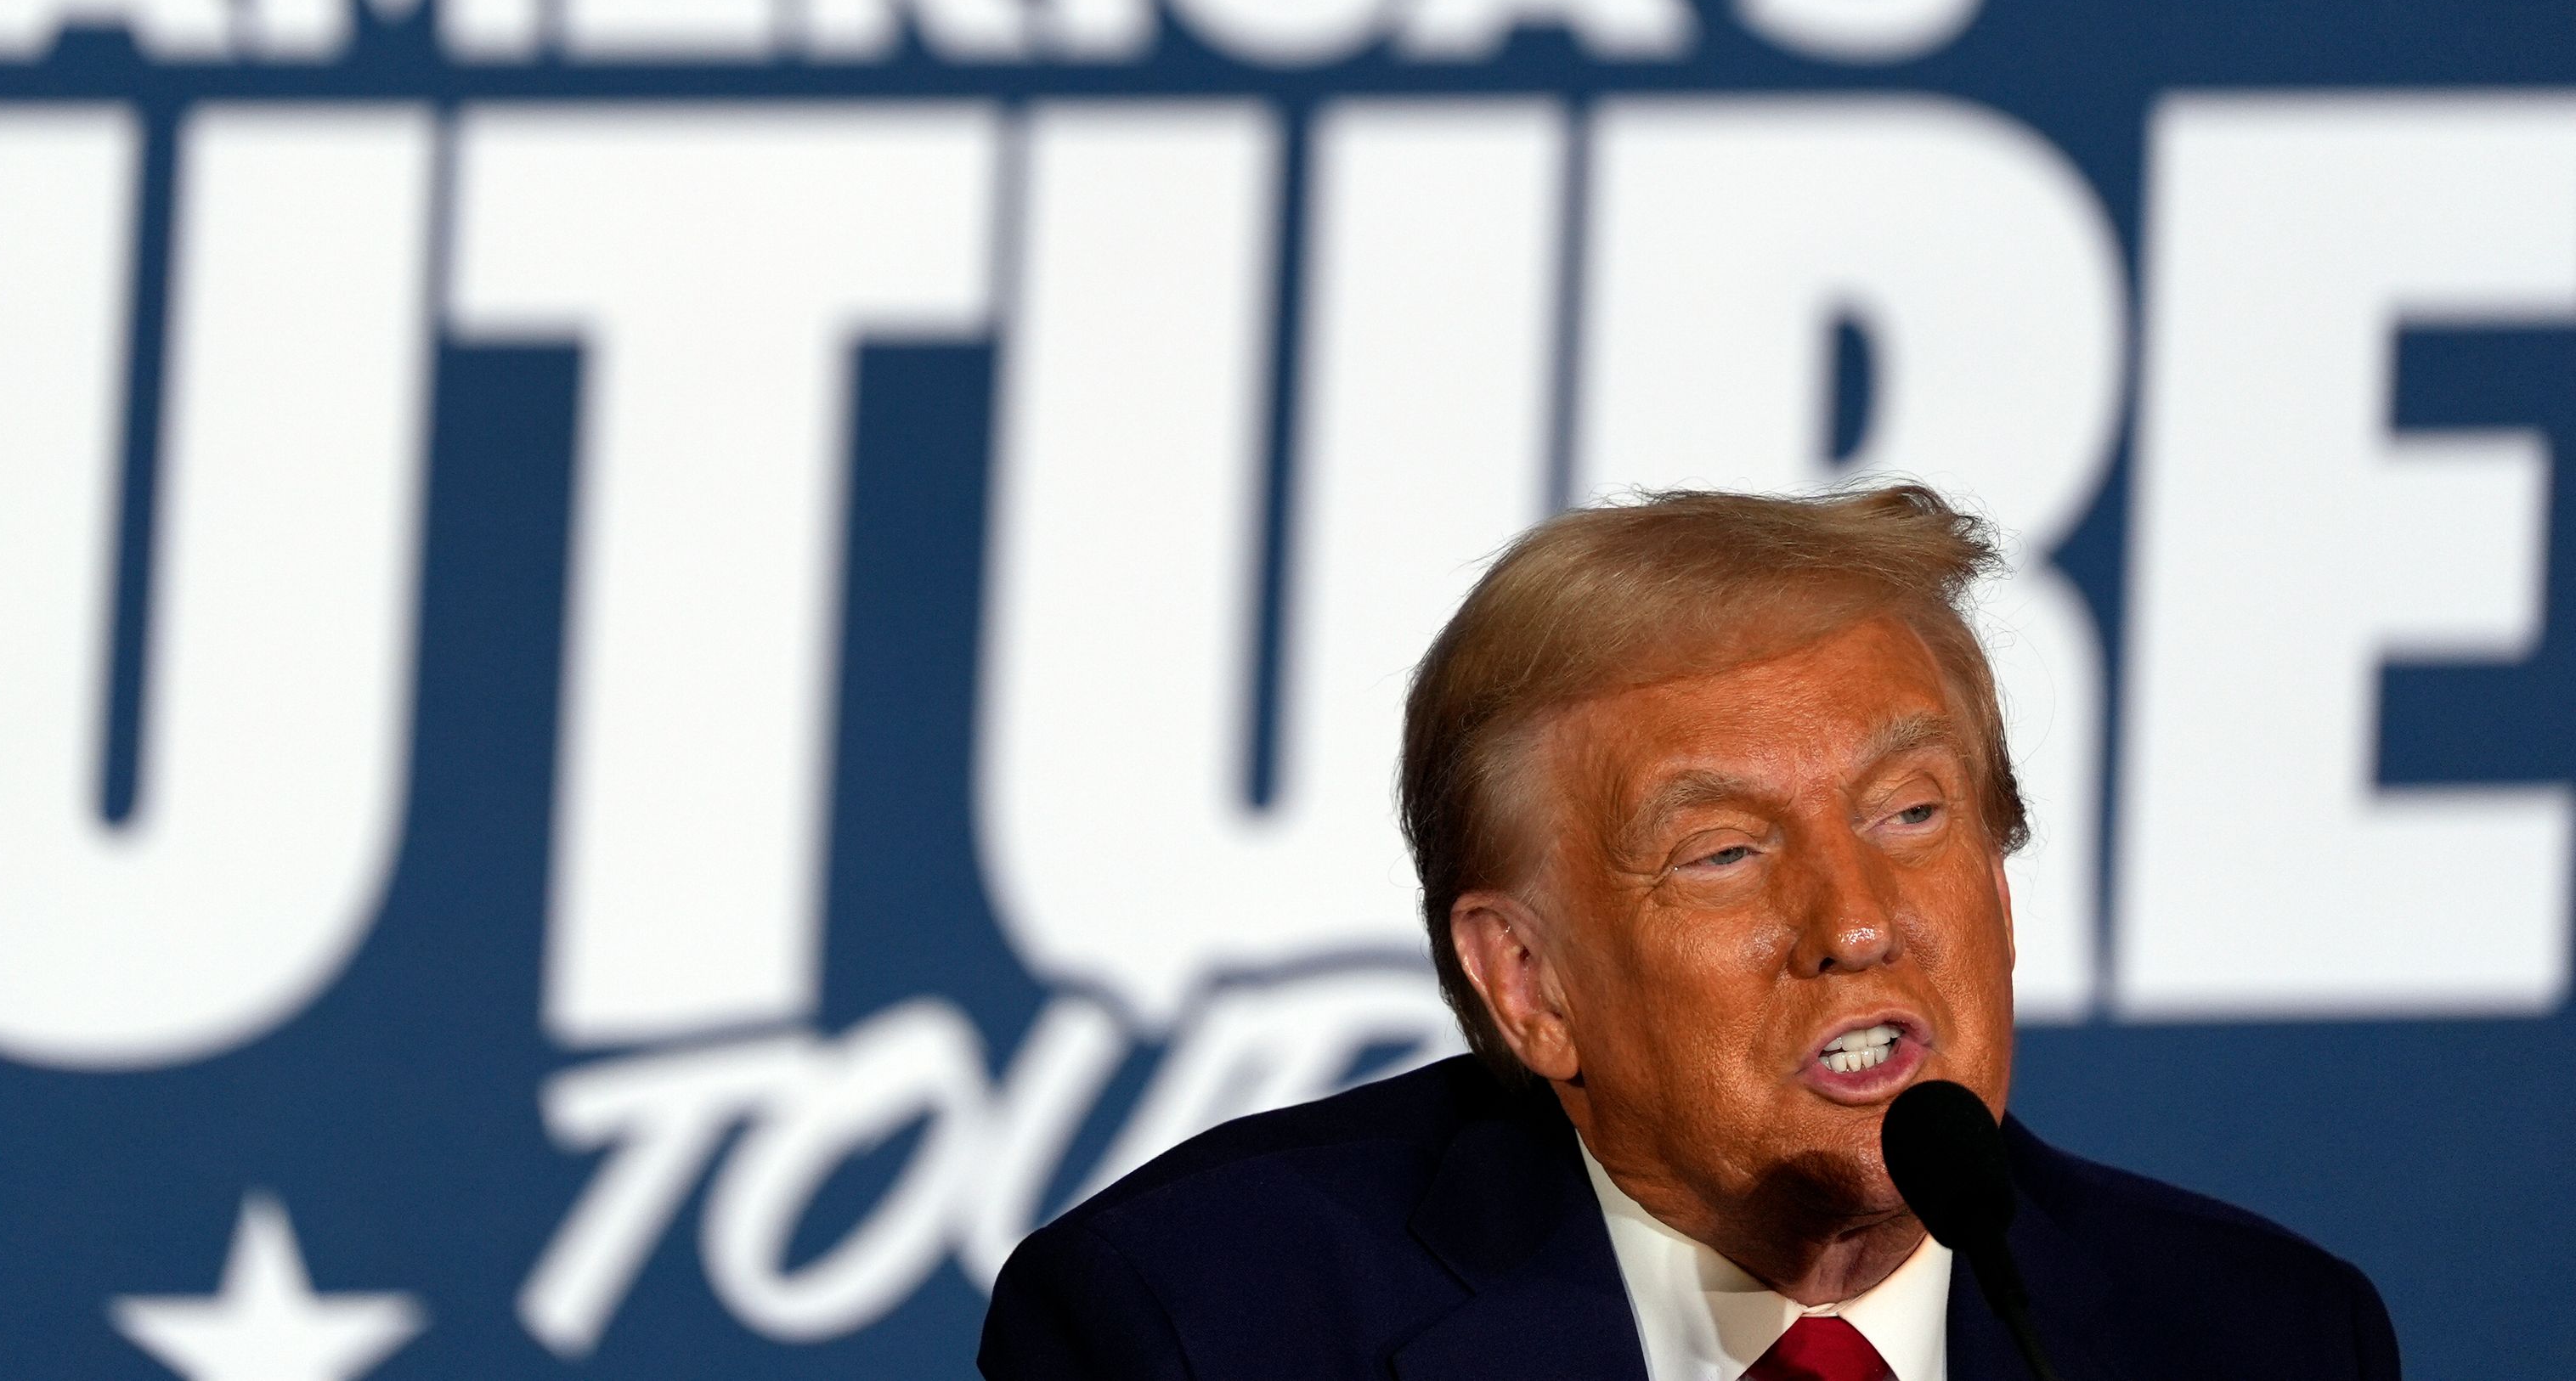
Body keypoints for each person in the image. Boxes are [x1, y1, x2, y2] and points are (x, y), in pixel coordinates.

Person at [980, 485, 2400, 1380]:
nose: (1855, 923)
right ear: (1527, 984)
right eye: (1724, 853)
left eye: (1913, 816)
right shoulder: (1201, 1329)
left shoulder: (2256, 1335)